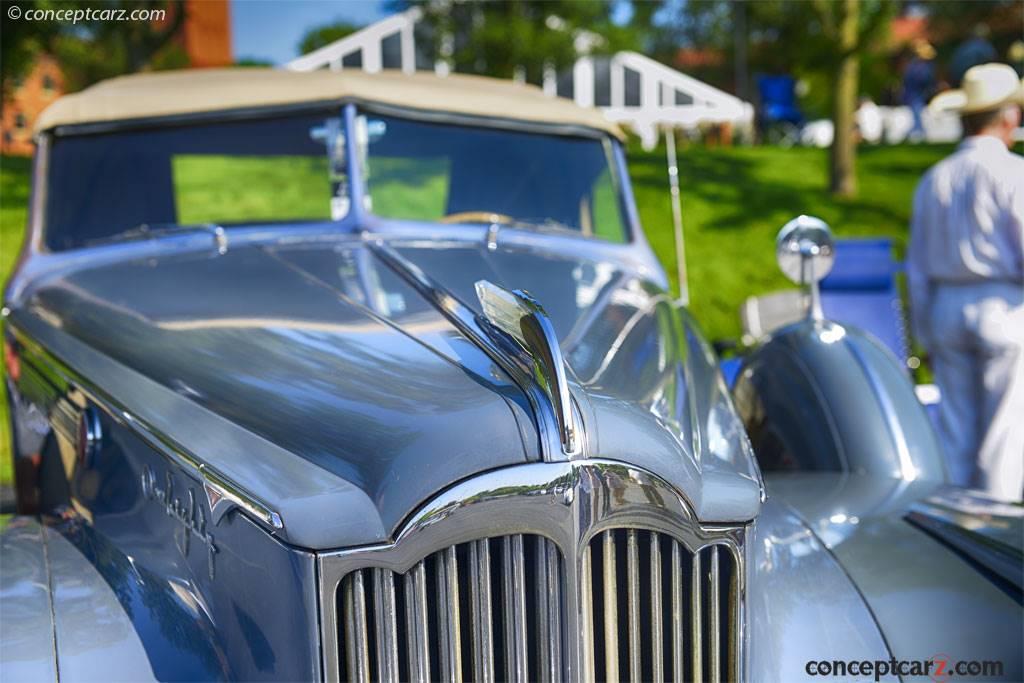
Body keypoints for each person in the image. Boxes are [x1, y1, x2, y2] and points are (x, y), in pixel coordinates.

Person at [908, 63, 1024, 502]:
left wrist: (925, 336)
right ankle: (997, 529)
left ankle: (958, 525)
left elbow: (917, 268)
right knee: (1005, 433)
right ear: (1007, 117)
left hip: (946, 306)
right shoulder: (1014, 173)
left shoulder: (933, 179)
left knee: (957, 430)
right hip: (1003, 306)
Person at [902, 40, 937, 142]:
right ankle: (919, 134)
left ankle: (918, 134)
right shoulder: (918, 67)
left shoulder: (914, 66)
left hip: (917, 95)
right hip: (915, 95)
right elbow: (923, 80)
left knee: (918, 116)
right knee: (917, 117)